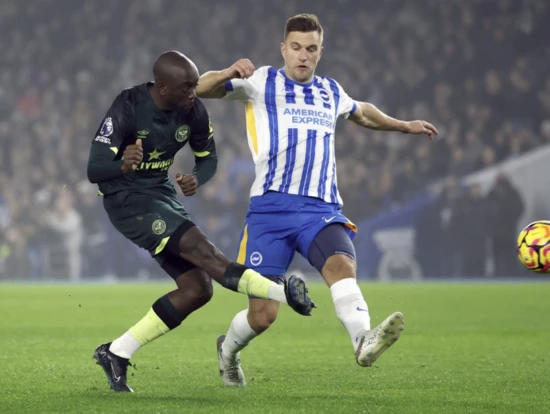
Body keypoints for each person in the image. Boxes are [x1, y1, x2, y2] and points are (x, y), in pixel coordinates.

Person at [197, 14, 438, 386]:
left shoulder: (331, 91)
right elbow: (200, 88)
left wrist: (403, 125)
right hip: (270, 210)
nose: (302, 56)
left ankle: (363, 340)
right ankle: (227, 353)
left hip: (320, 209)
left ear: (320, 53)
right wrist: (230, 71)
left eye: (311, 49)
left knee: (342, 266)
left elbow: (363, 113)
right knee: (263, 315)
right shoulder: (262, 81)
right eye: (295, 48)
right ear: (283, 49)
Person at [87, 51, 315, 393]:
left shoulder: (192, 109)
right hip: (127, 200)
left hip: (160, 195)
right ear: (162, 88)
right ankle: (282, 293)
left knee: (197, 291)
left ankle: (117, 353)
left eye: (195, 85)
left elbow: (209, 159)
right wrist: (121, 164)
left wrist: (197, 177)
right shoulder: (129, 106)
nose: (194, 93)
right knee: (204, 251)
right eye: (186, 87)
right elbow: (94, 169)